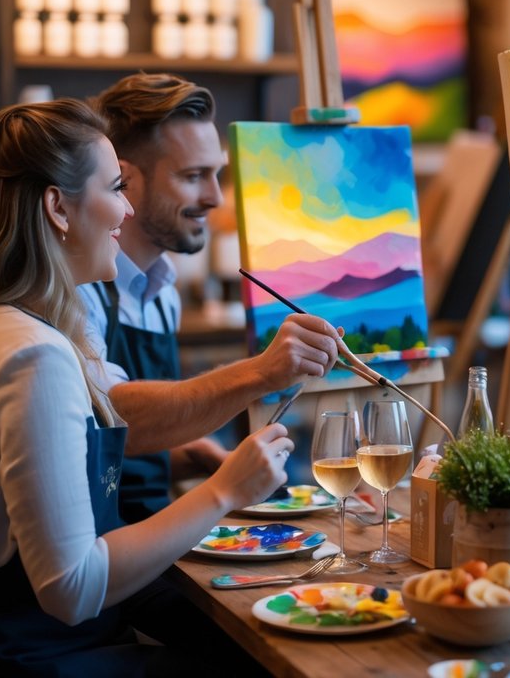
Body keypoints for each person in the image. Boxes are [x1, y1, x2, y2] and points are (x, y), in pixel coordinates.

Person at [0, 99, 334, 676]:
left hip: (19, 627)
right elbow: (72, 588)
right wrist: (224, 493)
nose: (127, 210)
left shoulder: (6, 323)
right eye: (115, 187)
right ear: (57, 207)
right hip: (3, 650)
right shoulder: (31, 355)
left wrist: (199, 465)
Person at [81, 72, 339, 522]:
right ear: (125, 180)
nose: (215, 197)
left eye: (216, 174)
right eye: (193, 176)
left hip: (160, 539)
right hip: (107, 557)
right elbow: (110, 418)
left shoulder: (162, 288)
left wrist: (191, 454)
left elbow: (135, 449)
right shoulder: (78, 289)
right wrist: (261, 371)